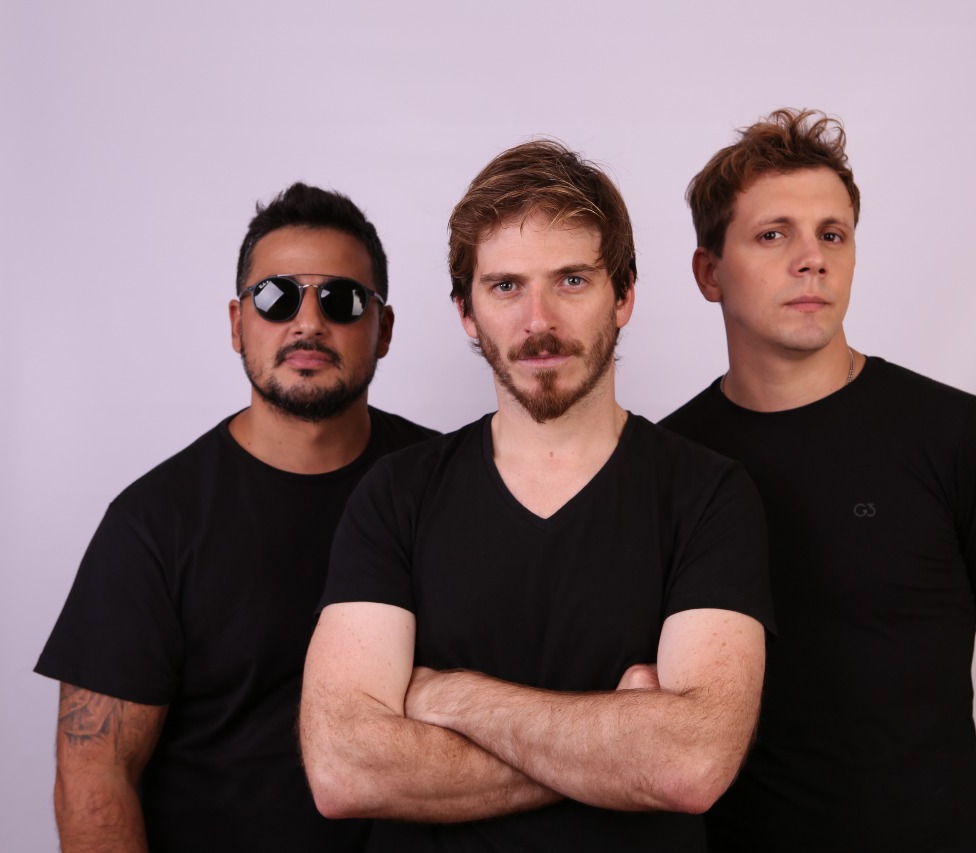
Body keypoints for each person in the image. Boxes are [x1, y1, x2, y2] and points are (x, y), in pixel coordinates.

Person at [300, 140, 774, 853]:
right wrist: (616, 748)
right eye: (505, 286)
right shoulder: (396, 494)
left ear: (624, 296)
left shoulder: (707, 494)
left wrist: (446, 697)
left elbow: (689, 763)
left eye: (572, 280)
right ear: (466, 311)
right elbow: (344, 769)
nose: (539, 321)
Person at [661, 110, 976, 853]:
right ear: (709, 273)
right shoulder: (667, 462)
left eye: (833, 234)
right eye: (773, 234)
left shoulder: (953, 435)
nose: (811, 260)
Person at [36, 183, 437, 853]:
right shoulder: (155, 523)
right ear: (236, 323)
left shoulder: (447, 485)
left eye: (341, 299)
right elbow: (95, 773)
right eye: (277, 297)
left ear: (384, 328)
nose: (308, 324)